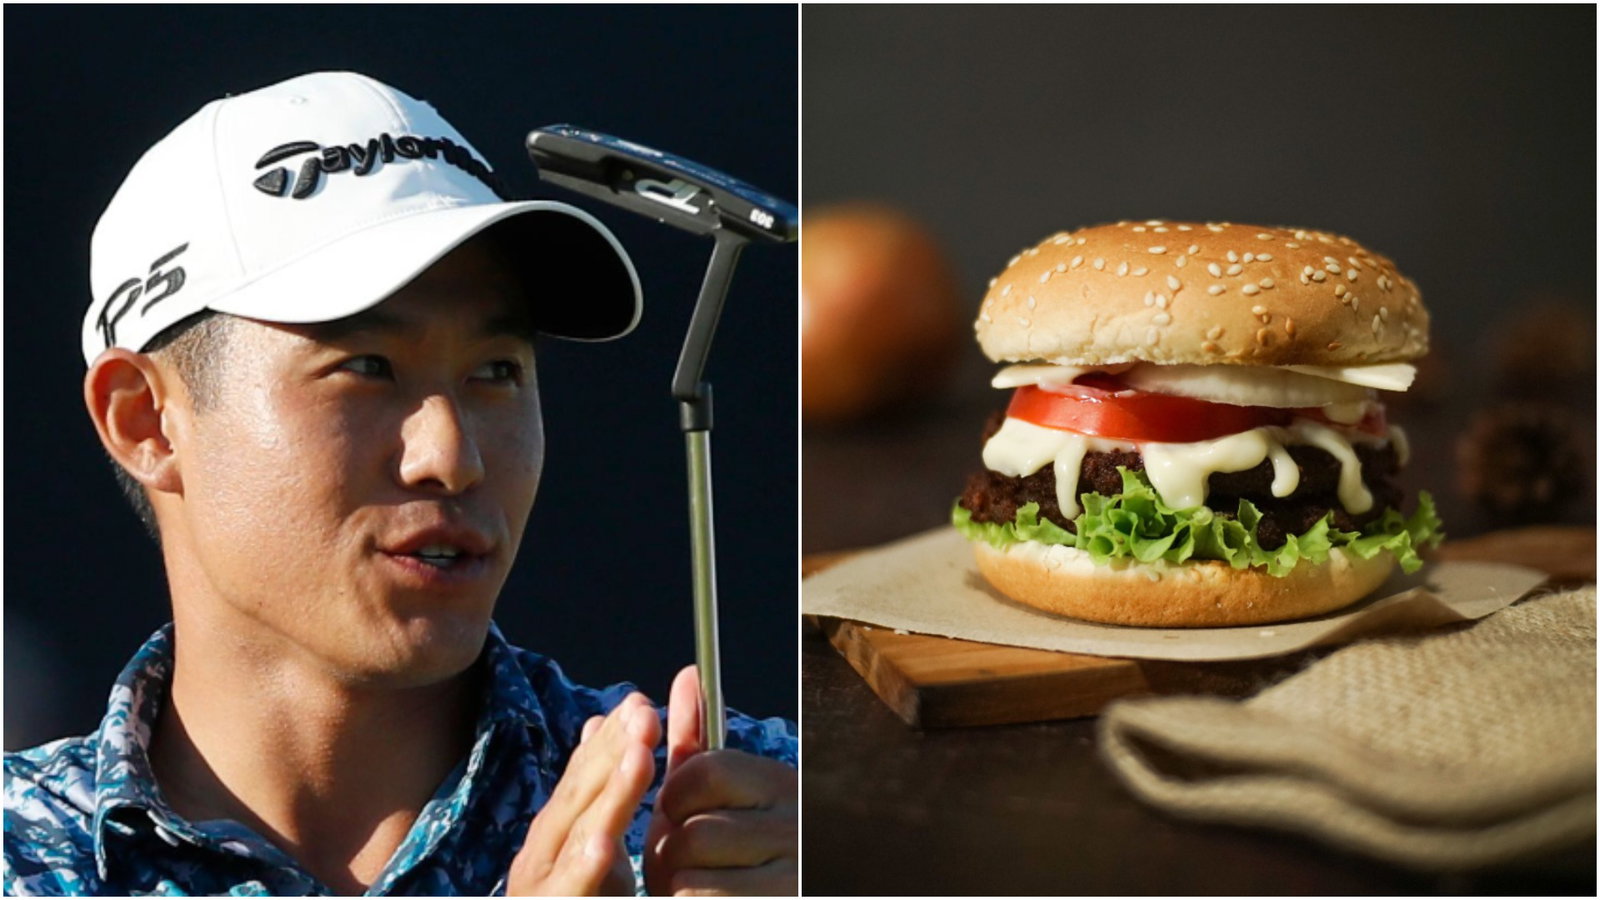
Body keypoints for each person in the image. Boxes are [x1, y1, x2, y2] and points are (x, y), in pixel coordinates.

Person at [2, 71, 796, 896]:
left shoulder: (748, 815)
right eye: (366, 367)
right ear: (146, 422)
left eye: (496, 371)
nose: (451, 457)